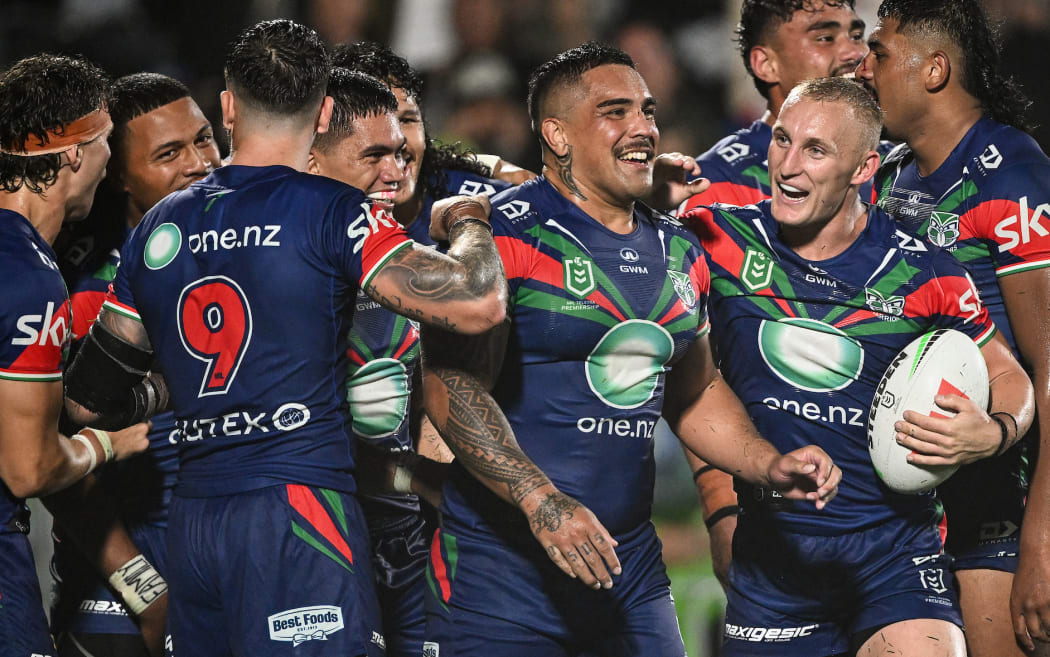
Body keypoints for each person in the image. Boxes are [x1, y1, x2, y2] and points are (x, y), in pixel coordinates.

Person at [62, 19, 509, 657]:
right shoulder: (332, 210)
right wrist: (467, 220)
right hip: (299, 512)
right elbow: (478, 302)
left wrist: (173, 391)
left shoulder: (159, 226)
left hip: (196, 525)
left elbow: (86, 402)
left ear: (227, 108)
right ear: (324, 113)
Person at [420, 42, 840, 657]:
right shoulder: (502, 235)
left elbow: (695, 393)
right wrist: (541, 501)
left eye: (647, 110)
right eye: (615, 111)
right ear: (558, 135)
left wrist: (765, 464)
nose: (643, 127)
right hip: (501, 576)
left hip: (627, 572)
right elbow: (449, 385)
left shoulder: (680, 248)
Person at [679, 76, 1034, 657]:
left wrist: (992, 433)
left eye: (815, 150)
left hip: (892, 558)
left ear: (864, 168)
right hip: (774, 571)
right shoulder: (718, 238)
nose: (788, 166)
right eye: (783, 140)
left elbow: (1009, 377)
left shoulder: (925, 271)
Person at [651, 0, 870, 590]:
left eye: (856, 33)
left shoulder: (901, 166)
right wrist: (720, 505)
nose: (852, 52)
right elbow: (694, 361)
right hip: (776, 493)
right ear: (765, 63)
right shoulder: (713, 190)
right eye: (824, 36)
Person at [857, 1, 1050, 654]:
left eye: (880, 52)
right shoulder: (891, 176)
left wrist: (1042, 544)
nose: (865, 66)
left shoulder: (1013, 175)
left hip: (999, 505)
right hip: (901, 509)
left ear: (934, 70)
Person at [51, 71, 222, 657]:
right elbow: (47, 456)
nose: (200, 163)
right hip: (121, 563)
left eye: (204, 139)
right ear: (117, 174)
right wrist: (144, 591)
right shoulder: (77, 283)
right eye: (169, 153)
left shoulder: (262, 239)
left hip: (233, 545)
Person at [0, 53, 154, 656]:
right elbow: (29, 469)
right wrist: (107, 444)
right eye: (107, 141)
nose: (110, 161)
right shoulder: (29, 278)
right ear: (74, 154)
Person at [306, 66, 429, 657]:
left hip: (414, 543)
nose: (396, 171)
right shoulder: (284, 263)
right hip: (318, 534)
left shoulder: (419, 260)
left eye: (401, 149)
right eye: (376, 153)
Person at [331, 42, 520, 252]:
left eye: (407, 120)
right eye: (374, 123)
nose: (398, 139)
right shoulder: (311, 223)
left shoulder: (492, 205)